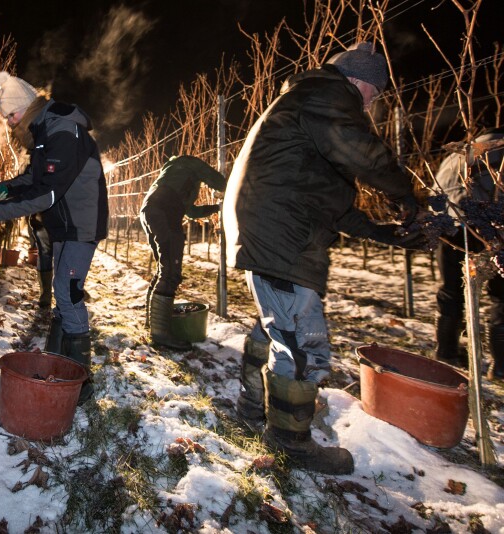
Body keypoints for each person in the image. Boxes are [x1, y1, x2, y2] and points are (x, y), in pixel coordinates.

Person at [222, 42, 424, 475]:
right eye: (374, 92)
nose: (373, 103)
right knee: (302, 342)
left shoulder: (308, 106)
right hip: (284, 234)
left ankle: (253, 405)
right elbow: (364, 153)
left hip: (275, 226)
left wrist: (384, 234)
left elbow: (330, 202)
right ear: (358, 81)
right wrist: (407, 193)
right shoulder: (327, 97)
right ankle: (289, 441)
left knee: (274, 324)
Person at [0, 71, 108, 403]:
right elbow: (35, 176)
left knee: (69, 292)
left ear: (26, 107)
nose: (8, 123)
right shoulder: (46, 131)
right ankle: (58, 361)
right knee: (62, 293)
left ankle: (81, 384)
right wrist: (7, 187)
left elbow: (48, 193)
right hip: (65, 222)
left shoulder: (63, 130)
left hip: (81, 222)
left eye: (11, 116)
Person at [434, 127, 504, 378]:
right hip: (490, 229)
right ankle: (501, 366)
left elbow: (435, 195)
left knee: (450, 292)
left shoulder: (456, 155)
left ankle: (446, 353)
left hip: (449, 229)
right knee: (501, 297)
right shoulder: (499, 152)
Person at [140, 155, 226, 350]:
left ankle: (152, 324)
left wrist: (217, 207)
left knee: (165, 268)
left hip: (151, 210)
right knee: (171, 273)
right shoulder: (188, 162)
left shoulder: (174, 176)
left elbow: (191, 212)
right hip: (165, 210)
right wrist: (228, 192)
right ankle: (161, 334)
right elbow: (219, 181)